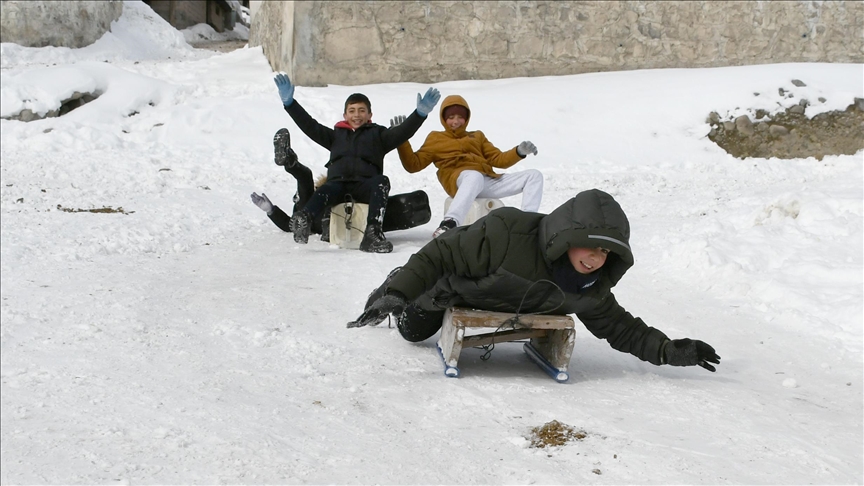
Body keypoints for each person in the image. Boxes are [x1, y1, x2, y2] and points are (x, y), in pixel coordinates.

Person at [347, 189, 721, 373]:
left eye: (605, 253)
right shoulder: (507, 232)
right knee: (412, 332)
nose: (594, 259)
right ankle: (398, 281)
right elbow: (441, 254)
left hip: (499, 303)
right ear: (567, 238)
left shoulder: (589, 287)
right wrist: (397, 293)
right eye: (589, 247)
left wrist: (669, 351)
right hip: (451, 289)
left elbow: (620, 327)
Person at [273, 73, 440, 253]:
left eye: (361, 110)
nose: (357, 115)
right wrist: (290, 104)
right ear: (345, 114)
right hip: (338, 185)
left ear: (369, 114)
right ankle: (304, 219)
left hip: (364, 186)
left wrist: (420, 114)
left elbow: (402, 133)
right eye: (352, 111)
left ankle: (372, 234)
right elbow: (309, 125)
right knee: (325, 189)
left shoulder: (379, 135)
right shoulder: (335, 135)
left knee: (382, 182)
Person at [391, 94, 544, 238]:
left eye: (460, 117)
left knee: (534, 175)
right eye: (451, 117)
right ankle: (449, 223)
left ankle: (527, 223)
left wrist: (518, 151)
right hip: (458, 180)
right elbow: (413, 165)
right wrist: (402, 138)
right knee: (473, 176)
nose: (455, 121)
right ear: (444, 119)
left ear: (467, 119)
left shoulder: (477, 136)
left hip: (485, 180)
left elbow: (498, 159)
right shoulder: (435, 138)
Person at [251, 128, 329, 238]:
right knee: (306, 178)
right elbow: (291, 225)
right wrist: (271, 210)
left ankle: (290, 161)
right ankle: (289, 161)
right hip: (322, 219)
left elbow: (290, 225)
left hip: (320, 220)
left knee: (305, 177)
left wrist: (271, 211)